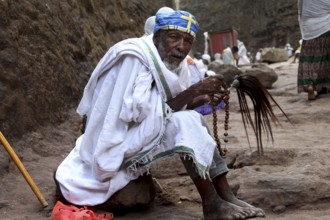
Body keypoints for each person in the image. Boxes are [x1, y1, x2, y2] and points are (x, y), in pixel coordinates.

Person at [54, 9, 270, 220]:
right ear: (157, 36)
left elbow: (173, 107)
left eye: (187, 41)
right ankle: (211, 203)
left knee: (192, 119)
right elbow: (138, 115)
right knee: (187, 123)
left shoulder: (176, 63)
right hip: (116, 140)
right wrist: (193, 91)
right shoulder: (134, 58)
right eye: (174, 37)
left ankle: (226, 194)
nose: (181, 47)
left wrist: (201, 98)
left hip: (144, 130)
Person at [297, 0, 330, 100]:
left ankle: (310, 85)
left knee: (309, 59)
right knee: (325, 58)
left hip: (309, 28)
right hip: (326, 25)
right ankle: (324, 85)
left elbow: (301, 9)